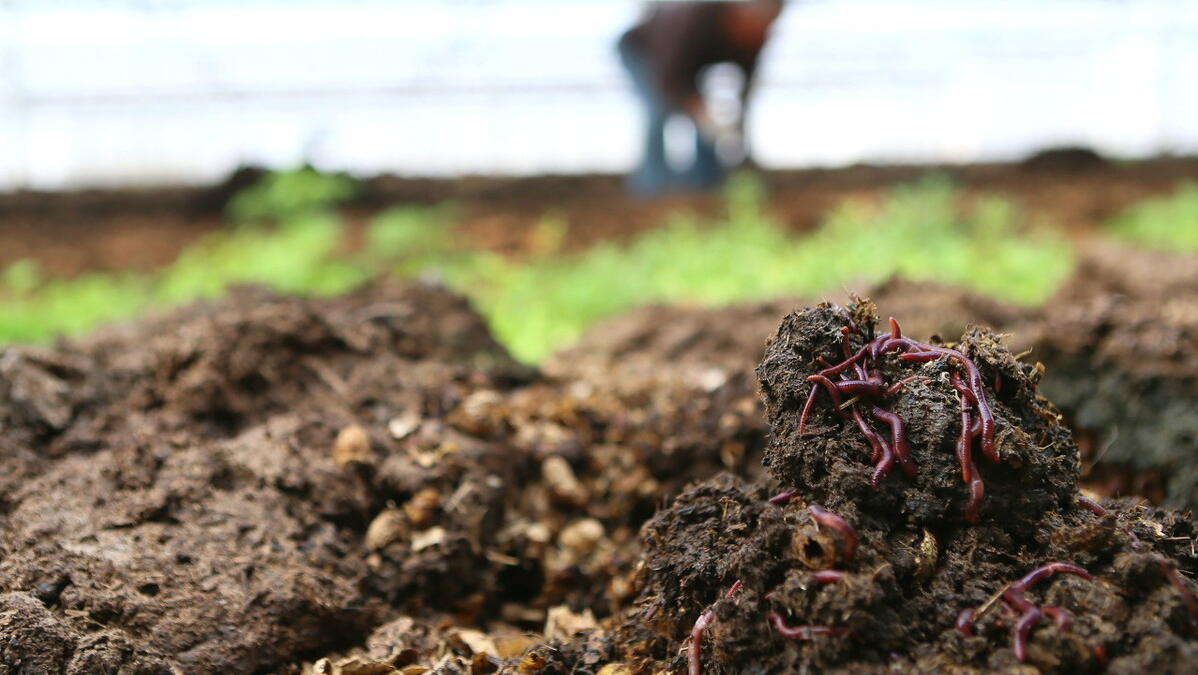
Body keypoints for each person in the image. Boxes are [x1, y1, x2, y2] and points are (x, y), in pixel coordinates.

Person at [617, 0, 784, 196]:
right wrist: (699, 110)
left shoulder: (755, 37)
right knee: (658, 110)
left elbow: (745, 87)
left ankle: (705, 185)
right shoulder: (698, 22)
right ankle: (653, 189)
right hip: (645, 52)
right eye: (757, 29)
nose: (760, 37)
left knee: (704, 122)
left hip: (690, 67)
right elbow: (668, 78)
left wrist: (735, 126)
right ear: (739, 17)